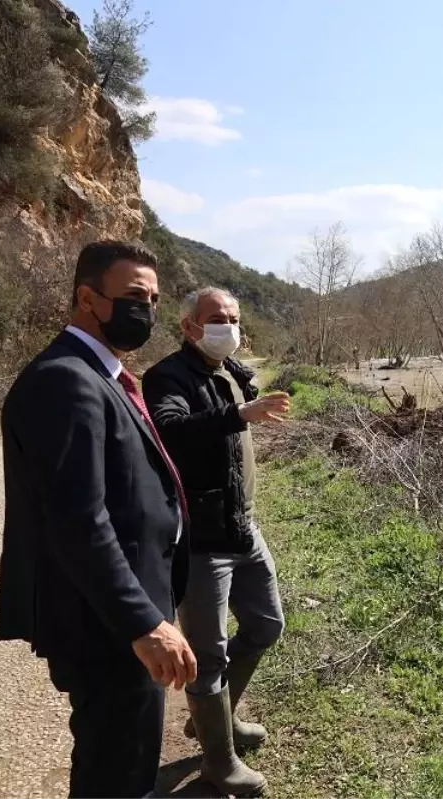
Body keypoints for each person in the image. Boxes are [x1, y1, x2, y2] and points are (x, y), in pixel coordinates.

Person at [0, 240, 198, 799]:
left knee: (125, 761)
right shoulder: (66, 380)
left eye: (154, 299)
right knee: (117, 772)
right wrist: (142, 622)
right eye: (135, 296)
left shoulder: (103, 375)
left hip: (124, 610)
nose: (148, 311)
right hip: (107, 624)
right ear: (87, 297)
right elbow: (77, 519)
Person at [142, 287, 290, 795]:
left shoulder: (230, 372)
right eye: (214, 319)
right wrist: (239, 415)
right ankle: (219, 762)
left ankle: (215, 722)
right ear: (188, 327)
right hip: (202, 540)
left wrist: (244, 404)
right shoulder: (167, 376)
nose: (226, 325)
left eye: (232, 317)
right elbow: (169, 428)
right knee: (208, 658)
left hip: (243, 527)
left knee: (267, 624)